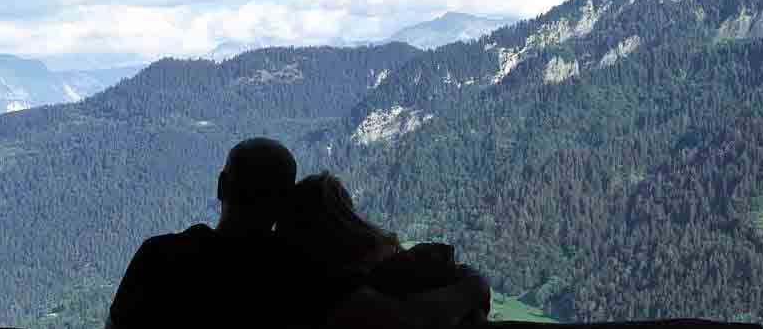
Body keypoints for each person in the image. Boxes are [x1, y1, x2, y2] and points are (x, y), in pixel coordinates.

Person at [105, 138, 488, 329]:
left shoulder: (157, 256)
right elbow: (409, 321)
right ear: (283, 202)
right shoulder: (298, 272)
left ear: (221, 186)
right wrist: (471, 284)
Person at [280, 171, 494, 328]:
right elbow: (424, 318)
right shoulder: (334, 288)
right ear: (342, 222)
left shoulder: (298, 276)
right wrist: (475, 283)